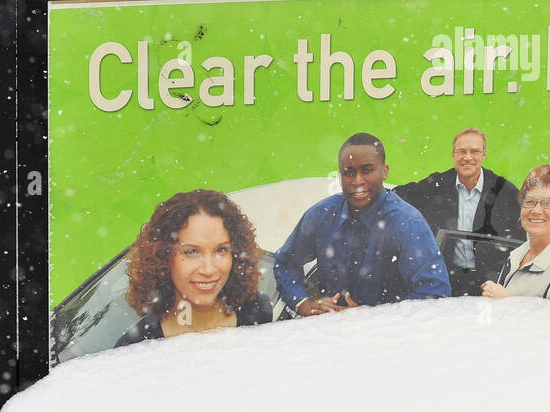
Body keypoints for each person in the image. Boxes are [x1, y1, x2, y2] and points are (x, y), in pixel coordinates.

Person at [274, 133, 450, 314]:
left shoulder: (408, 223)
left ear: (384, 171)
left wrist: (370, 317)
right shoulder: (322, 215)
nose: (358, 181)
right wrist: (304, 304)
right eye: (349, 173)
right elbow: (285, 262)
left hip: (391, 336)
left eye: (366, 170)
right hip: (330, 334)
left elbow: (434, 294)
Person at [115, 189, 274, 347]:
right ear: (163, 258)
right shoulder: (135, 348)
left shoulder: (258, 312)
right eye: (191, 252)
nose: (208, 269)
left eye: (221, 250)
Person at [394, 127, 523, 297]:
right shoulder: (437, 185)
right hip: (445, 280)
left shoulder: (505, 192)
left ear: (484, 154)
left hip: (489, 284)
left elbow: (520, 242)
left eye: (474, 151)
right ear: (453, 155)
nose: (467, 157)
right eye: (461, 151)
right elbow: (397, 197)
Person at [482, 164, 550, 302]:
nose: (536, 210)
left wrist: (508, 302)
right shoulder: (517, 256)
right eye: (530, 201)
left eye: (548, 203)